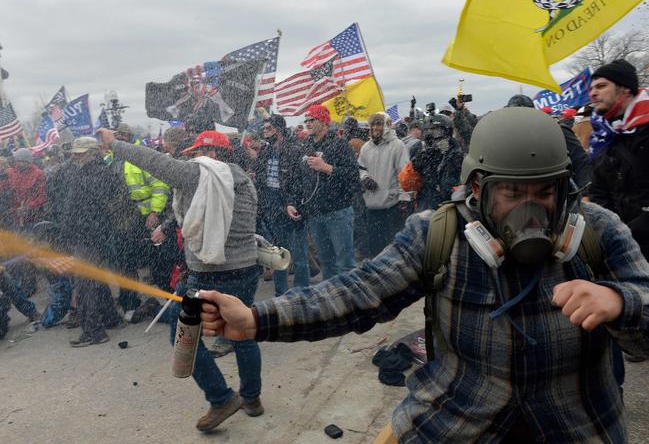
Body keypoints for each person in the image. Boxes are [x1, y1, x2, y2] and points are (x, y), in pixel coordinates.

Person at [197, 107, 649, 443]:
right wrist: (257, 319)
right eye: (512, 192)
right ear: (477, 188)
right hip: (454, 426)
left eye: (545, 191)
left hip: (579, 429)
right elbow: (360, 291)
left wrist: (621, 302)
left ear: (565, 189)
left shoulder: (596, 231)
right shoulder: (441, 233)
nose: (530, 207)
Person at [97, 127, 263, 432]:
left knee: (183, 335)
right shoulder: (242, 179)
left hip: (212, 274)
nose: (194, 159)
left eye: (198, 153)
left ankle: (221, 397)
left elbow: (157, 163)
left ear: (213, 154)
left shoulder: (204, 175)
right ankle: (251, 398)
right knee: (242, 332)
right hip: (245, 268)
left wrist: (115, 144)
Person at [55, 137, 126, 347]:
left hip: (85, 234)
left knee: (86, 284)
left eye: (81, 152)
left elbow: (77, 209)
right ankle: (111, 318)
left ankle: (93, 331)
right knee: (96, 278)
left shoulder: (88, 175)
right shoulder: (102, 172)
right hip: (95, 234)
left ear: (93, 152)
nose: (77, 156)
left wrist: (67, 232)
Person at [589, 59, 649, 286]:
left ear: (625, 89)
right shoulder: (603, 136)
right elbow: (599, 193)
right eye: (592, 87)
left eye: (601, 86)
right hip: (623, 250)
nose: (593, 93)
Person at [288, 104, 361, 280]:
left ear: (324, 122)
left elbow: (353, 176)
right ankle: (332, 301)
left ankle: (350, 302)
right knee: (326, 262)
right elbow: (298, 178)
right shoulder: (305, 146)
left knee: (345, 263)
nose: (308, 123)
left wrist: (327, 167)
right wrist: (292, 202)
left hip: (338, 212)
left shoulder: (339, 144)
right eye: (306, 120)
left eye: (312, 120)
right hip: (315, 213)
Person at [111, 123, 171, 310]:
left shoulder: (141, 156)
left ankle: (168, 298)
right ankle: (131, 299)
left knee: (155, 258)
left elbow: (160, 185)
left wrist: (155, 212)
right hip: (125, 218)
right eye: (117, 135)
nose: (119, 138)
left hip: (146, 217)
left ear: (129, 136)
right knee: (127, 260)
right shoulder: (112, 159)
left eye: (122, 135)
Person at [253, 114, 310, 294]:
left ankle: (302, 293)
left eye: (268, 129)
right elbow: (262, 180)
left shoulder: (295, 150)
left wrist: (291, 202)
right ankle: (281, 294)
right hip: (272, 207)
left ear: (278, 129)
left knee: (299, 255)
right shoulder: (265, 151)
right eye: (263, 129)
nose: (265, 132)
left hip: (292, 207)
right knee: (277, 255)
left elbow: (300, 181)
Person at [507, 94, 592, 191]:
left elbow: (580, 160)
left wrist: (584, 192)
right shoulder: (506, 136)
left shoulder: (557, 130)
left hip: (556, 191)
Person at [358, 112, 411, 257]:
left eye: (379, 124)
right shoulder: (365, 148)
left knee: (392, 249)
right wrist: (365, 178)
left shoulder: (397, 146)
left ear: (387, 126)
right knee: (375, 249)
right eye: (373, 124)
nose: (375, 127)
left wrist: (404, 198)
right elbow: (360, 169)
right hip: (371, 207)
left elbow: (404, 174)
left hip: (391, 206)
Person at [399, 114, 463, 212]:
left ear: (448, 132)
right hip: (426, 207)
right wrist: (416, 164)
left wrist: (448, 191)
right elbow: (406, 183)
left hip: (450, 209)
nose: (433, 136)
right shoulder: (425, 154)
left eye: (437, 131)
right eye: (430, 132)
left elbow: (462, 188)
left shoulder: (457, 155)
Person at [6, 148, 47, 227]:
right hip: (12, 216)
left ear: (29, 162)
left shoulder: (38, 174)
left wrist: (28, 207)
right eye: (19, 161)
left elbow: (42, 196)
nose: (21, 164)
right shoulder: (10, 172)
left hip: (32, 216)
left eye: (24, 161)